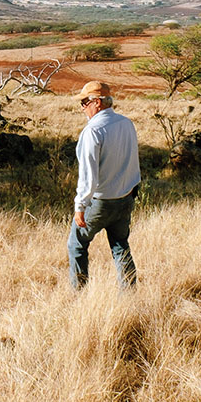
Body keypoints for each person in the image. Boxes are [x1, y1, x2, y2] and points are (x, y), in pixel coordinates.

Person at [67, 80, 140, 289]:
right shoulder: (127, 123)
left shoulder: (92, 131)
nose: (82, 108)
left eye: (84, 102)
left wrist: (80, 207)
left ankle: (78, 296)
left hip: (100, 202)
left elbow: (88, 177)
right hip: (126, 197)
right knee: (120, 247)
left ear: (96, 102)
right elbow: (133, 162)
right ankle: (129, 296)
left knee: (76, 245)